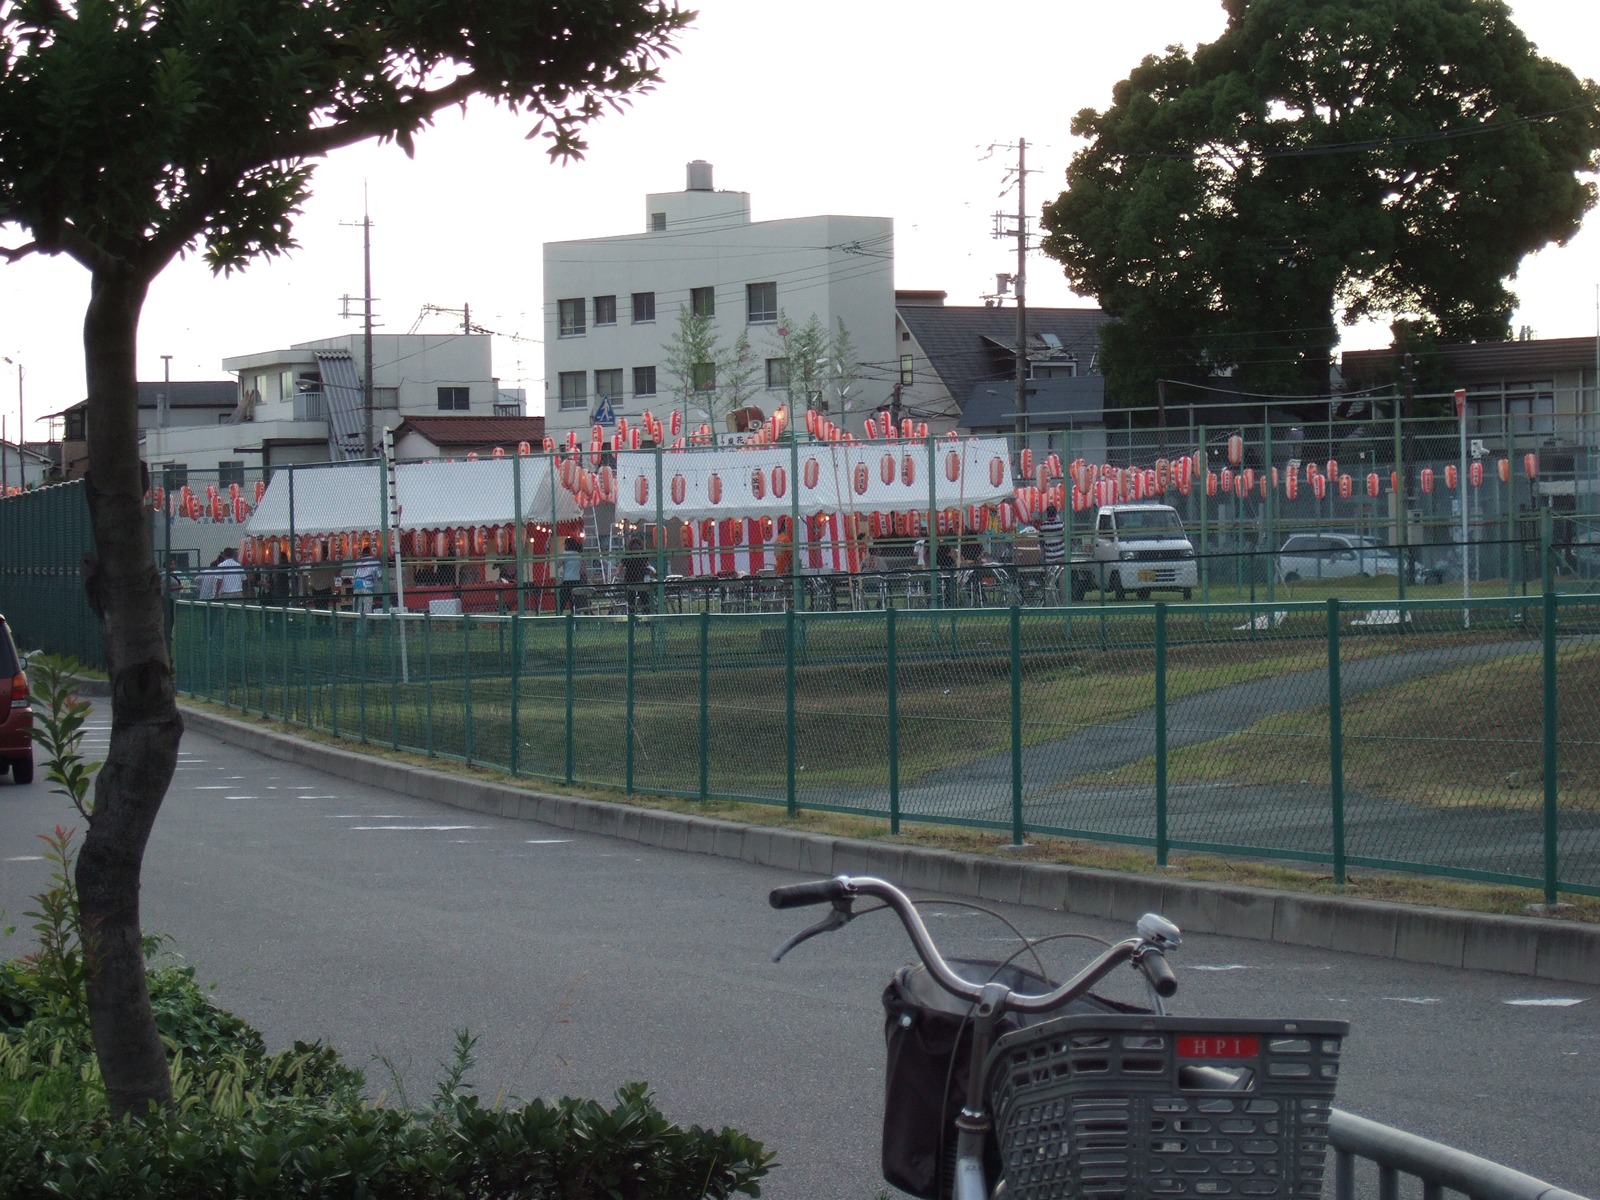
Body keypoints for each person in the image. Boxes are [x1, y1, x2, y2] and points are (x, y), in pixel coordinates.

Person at [621, 536, 653, 613]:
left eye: (637, 545)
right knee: (631, 600)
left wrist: (651, 570)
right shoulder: (628, 555)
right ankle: (632, 618)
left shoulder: (643, 555)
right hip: (630, 581)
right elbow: (621, 564)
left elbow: (647, 565)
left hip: (640, 581)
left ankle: (647, 617)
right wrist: (617, 572)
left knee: (645, 598)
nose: (636, 547)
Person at [557, 535, 585, 612]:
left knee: (561, 600)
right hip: (576, 580)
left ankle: (559, 614)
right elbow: (582, 569)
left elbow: (558, 565)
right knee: (574, 600)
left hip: (567, 580)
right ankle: (575, 614)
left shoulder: (566, 554)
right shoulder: (578, 554)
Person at [352, 547, 381, 613]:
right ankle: (366, 622)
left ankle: (357, 622)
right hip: (368, 586)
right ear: (371, 552)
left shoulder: (358, 561)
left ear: (363, 553)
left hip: (356, 585)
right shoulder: (374, 560)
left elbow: (354, 575)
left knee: (356, 608)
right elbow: (380, 575)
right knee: (367, 608)